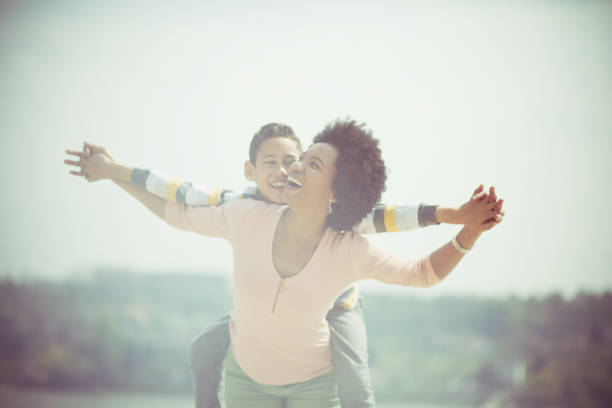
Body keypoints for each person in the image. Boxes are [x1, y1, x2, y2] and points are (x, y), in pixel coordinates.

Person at [65, 119, 504, 407]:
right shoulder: (245, 214)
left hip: (316, 387)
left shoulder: (350, 247)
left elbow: (423, 272)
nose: (293, 168)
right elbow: (175, 208)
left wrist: (467, 230)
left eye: (309, 164)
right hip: (245, 382)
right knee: (204, 347)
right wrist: (111, 173)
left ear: (337, 193)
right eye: (297, 158)